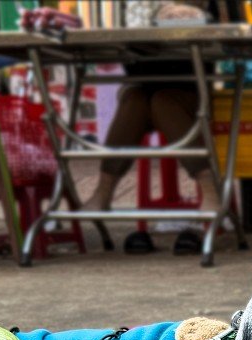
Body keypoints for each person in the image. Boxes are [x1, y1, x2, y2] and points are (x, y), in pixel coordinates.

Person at [80, 1, 233, 253]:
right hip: (144, 80)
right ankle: (103, 190)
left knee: (162, 100)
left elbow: (228, 32)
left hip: (191, 86)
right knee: (136, 98)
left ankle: (209, 189)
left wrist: (197, 13)